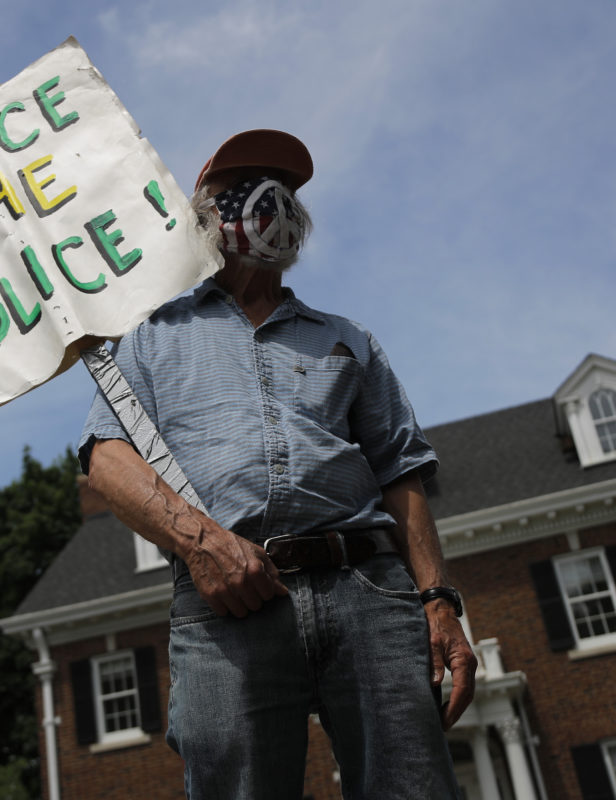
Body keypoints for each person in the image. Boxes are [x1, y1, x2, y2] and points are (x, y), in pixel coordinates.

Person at [79, 129, 476, 800]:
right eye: (245, 187)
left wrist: (438, 601)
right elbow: (105, 458)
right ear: (204, 217)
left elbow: (401, 472)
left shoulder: (348, 340)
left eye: (285, 191)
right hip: (227, 601)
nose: (272, 202)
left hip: (370, 592)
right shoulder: (151, 336)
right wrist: (201, 545)